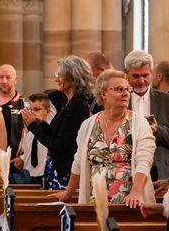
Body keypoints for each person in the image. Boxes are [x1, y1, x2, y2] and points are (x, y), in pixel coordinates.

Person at [51, 70, 155, 206]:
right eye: (119, 89)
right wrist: (68, 193)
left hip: (130, 203)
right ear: (103, 94)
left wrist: (136, 192)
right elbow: (78, 161)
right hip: (95, 202)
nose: (125, 93)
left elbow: (144, 160)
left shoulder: (139, 123)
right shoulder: (88, 124)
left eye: (127, 89)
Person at [23, 55, 92, 190]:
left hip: (65, 172)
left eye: (59, 75)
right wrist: (40, 123)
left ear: (72, 78)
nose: (56, 79)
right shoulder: (69, 103)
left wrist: (34, 127)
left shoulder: (77, 106)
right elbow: (57, 134)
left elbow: (60, 145)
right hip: (58, 169)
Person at [125, 50, 169, 180]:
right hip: (128, 170)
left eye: (145, 75)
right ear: (126, 74)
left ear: (152, 73)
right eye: (136, 76)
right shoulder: (119, 100)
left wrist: (157, 130)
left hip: (158, 171)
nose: (141, 80)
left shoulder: (166, 100)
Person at [10, 93, 52, 185]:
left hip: (44, 179)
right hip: (28, 180)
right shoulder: (29, 134)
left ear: (48, 111)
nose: (32, 113)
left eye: (37, 110)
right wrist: (22, 158)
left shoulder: (51, 130)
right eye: (30, 109)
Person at [0, 64, 24, 164]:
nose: (4, 81)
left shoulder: (25, 104)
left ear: (16, 79)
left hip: (15, 164)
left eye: (8, 77)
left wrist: (23, 158)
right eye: (1, 77)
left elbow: (33, 135)